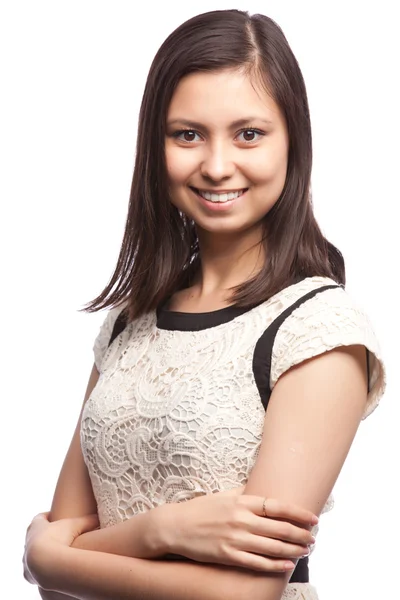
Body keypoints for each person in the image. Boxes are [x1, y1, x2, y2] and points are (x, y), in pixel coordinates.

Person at [23, 8, 386, 600]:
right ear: (155, 144)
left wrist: (50, 556)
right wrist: (162, 532)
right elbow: (55, 582)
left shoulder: (318, 327)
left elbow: (243, 594)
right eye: (187, 134)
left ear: (293, 139)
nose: (217, 166)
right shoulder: (129, 322)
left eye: (249, 133)